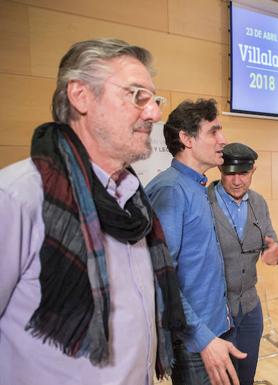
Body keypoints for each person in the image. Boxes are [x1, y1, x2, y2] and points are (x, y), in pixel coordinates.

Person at [0, 38, 186, 385]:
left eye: (154, 100)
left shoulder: (134, 204)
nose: (154, 113)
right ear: (81, 95)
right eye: (137, 96)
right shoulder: (16, 198)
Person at [145, 99, 246, 385]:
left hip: (215, 331)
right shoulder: (171, 191)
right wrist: (203, 339)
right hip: (196, 343)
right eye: (213, 132)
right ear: (186, 139)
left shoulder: (195, 186)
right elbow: (161, 277)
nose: (223, 140)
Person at [206, 142, 278, 385]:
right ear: (220, 169)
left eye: (244, 173)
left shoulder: (259, 203)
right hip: (216, 312)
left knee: (245, 378)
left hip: (250, 310)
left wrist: (277, 252)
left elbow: (275, 244)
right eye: (230, 173)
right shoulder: (204, 202)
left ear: (253, 171)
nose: (237, 181)